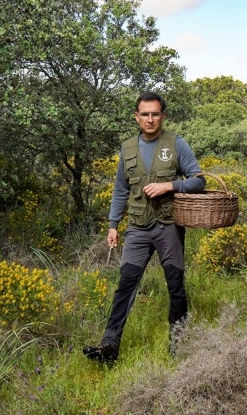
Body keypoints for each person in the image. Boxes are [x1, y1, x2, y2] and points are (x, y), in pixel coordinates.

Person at [83, 91, 206, 363]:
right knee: (125, 285)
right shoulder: (127, 149)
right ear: (136, 117)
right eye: (145, 114)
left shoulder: (176, 143)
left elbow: (199, 181)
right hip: (138, 228)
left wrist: (170, 185)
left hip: (168, 227)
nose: (150, 119)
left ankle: (178, 344)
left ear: (162, 115)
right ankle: (109, 346)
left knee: (175, 286)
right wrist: (113, 225)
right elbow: (120, 190)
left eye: (155, 114)